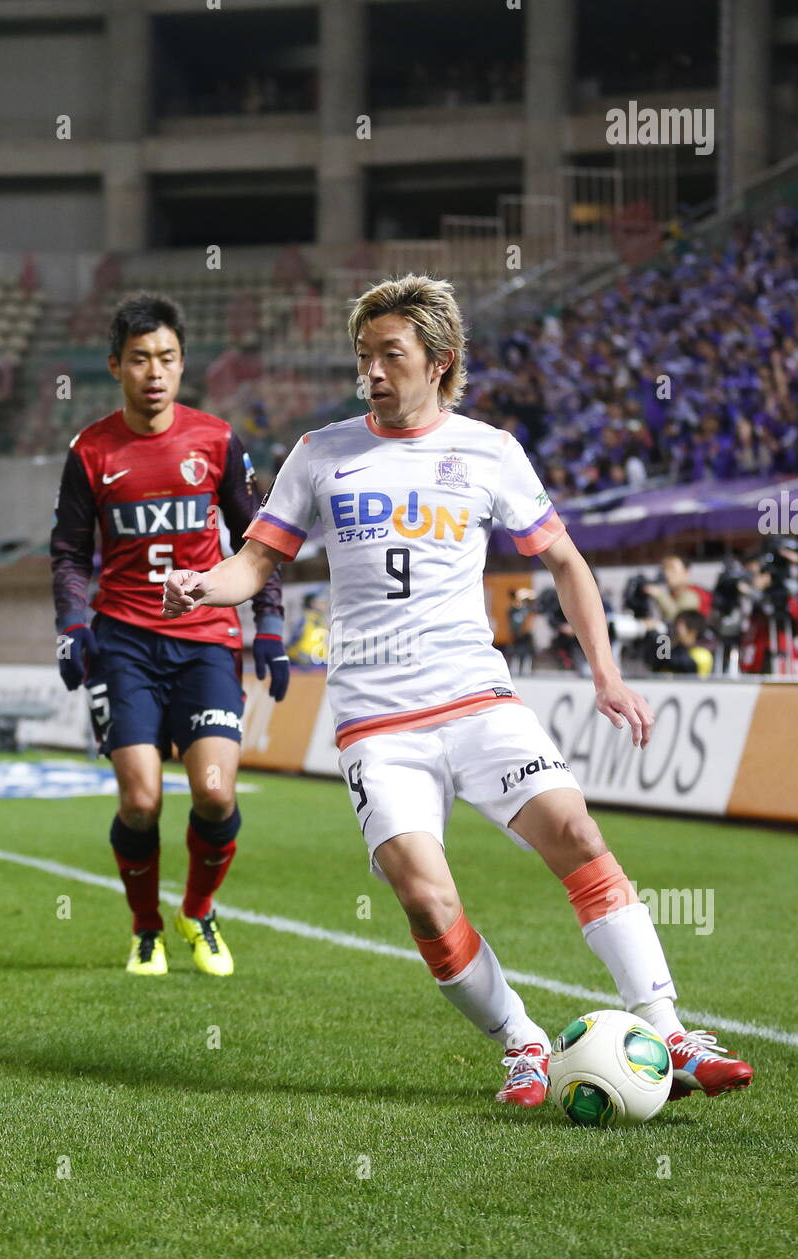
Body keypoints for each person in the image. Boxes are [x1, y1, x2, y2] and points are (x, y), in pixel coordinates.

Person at [162, 274, 753, 1108]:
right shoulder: (319, 454)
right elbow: (257, 562)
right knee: (425, 898)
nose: (370, 371)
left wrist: (607, 673)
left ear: (439, 361)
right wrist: (202, 586)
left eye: (389, 355)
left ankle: (669, 1029)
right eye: (363, 355)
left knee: (577, 832)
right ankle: (521, 1041)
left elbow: (563, 561)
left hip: (477, 699)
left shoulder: (490, 451)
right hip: (377, 722)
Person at [51, 293, 289, 977]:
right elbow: (69, 550)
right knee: (142, 798)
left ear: (183, 364)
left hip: (207, 639)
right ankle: (147, 927)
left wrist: (268, 628)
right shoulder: (91, 451)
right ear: (115, 366)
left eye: (167, 358)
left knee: (215, 793)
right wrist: (72, 627)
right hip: (122, 640)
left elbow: (259, 539)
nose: (154, 372)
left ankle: (198, 910)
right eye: (139, 359)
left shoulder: (216, 440)